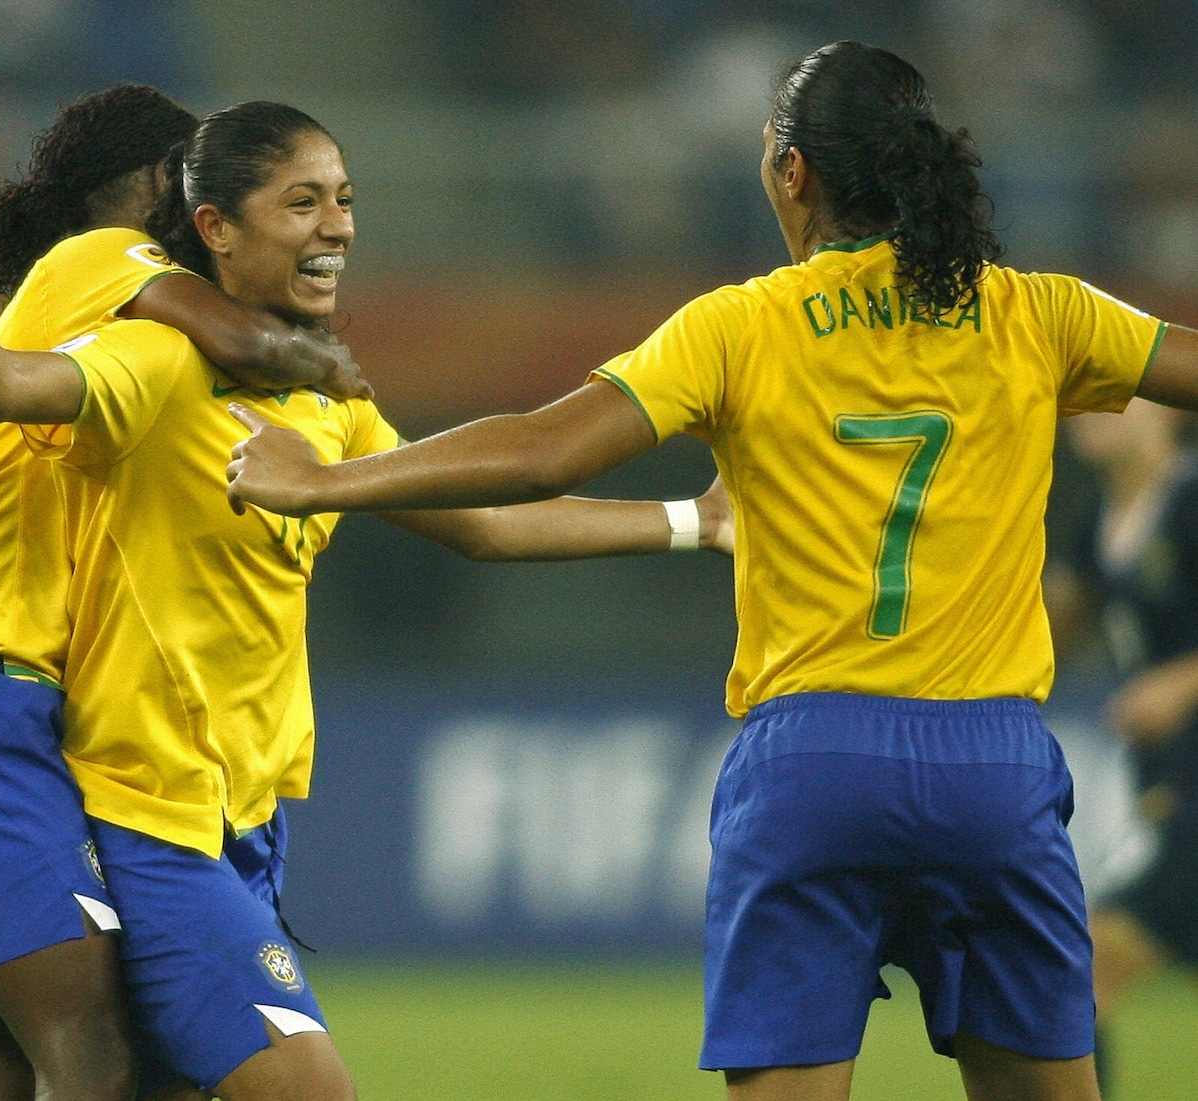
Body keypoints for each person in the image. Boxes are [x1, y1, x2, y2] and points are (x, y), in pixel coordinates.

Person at [225, 41, 1198, 1101]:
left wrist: (322, 479)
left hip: (812, 762)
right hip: (992, 765)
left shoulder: (742, 325)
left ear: (792, 175)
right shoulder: (1036, 313)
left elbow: (540, 448)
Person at [0, 100, 731, 1101]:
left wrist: (694, 522)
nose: (337, 224)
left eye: (344, 200)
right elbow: (18, 388)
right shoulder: (154, 356)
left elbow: (485, 522)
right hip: (141, 802)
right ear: (210, 225)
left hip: (237, 819)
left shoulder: (332, 412)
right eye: (301, 202)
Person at [0, 83, 377, 1101]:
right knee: (95, 1060)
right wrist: (315, 359)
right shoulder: (104, 258)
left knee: (57, 1073)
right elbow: (234, 338)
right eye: (195, 185)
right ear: (158, 188)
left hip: (20, 702)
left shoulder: (85, 311)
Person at [1044, 399, 1198, 1097]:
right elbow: (1043, 636)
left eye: (1120, 389)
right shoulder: (1096, 522)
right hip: (1166, 788)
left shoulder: (1191, 500)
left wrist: (1181, 681)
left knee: (1073, 978)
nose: (1093, 405)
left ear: (1171, 413)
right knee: (1068, 981)